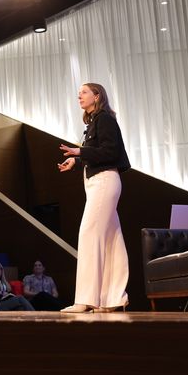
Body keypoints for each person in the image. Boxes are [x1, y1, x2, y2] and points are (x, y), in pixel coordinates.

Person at [58, 82, 131, 313]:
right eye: (79, 92)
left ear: (97, 96)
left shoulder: (104, 119)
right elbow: (99, 153)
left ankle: (86, 299)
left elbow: (111, 152)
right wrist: (77, 161)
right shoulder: (94, 122)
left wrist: (80, 151)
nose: (79, 95)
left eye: (84, 92)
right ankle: (113, 298)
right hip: (98, 183)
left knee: (89, 235)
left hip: (104, 183)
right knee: (112, 241)